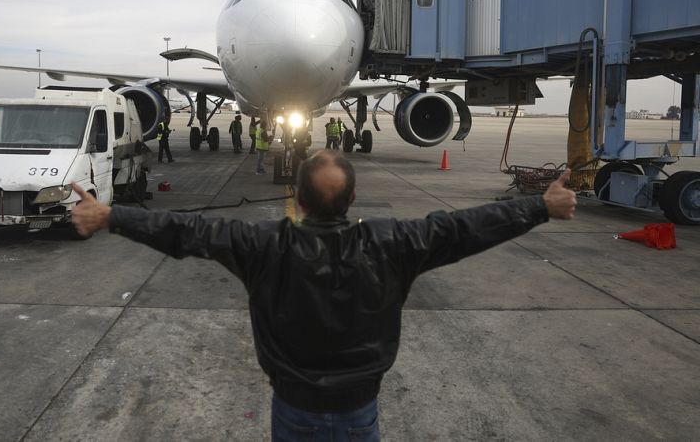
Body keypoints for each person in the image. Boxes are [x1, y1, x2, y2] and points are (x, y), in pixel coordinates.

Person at [71, 151, 577, 441]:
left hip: (294, 409)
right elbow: (463, 227)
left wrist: (112, 216)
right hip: (360, 410)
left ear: (299, 199)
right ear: (353, 199)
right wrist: (539, 206)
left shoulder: (262, 246)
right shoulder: (392, 244)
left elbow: (184, 232)